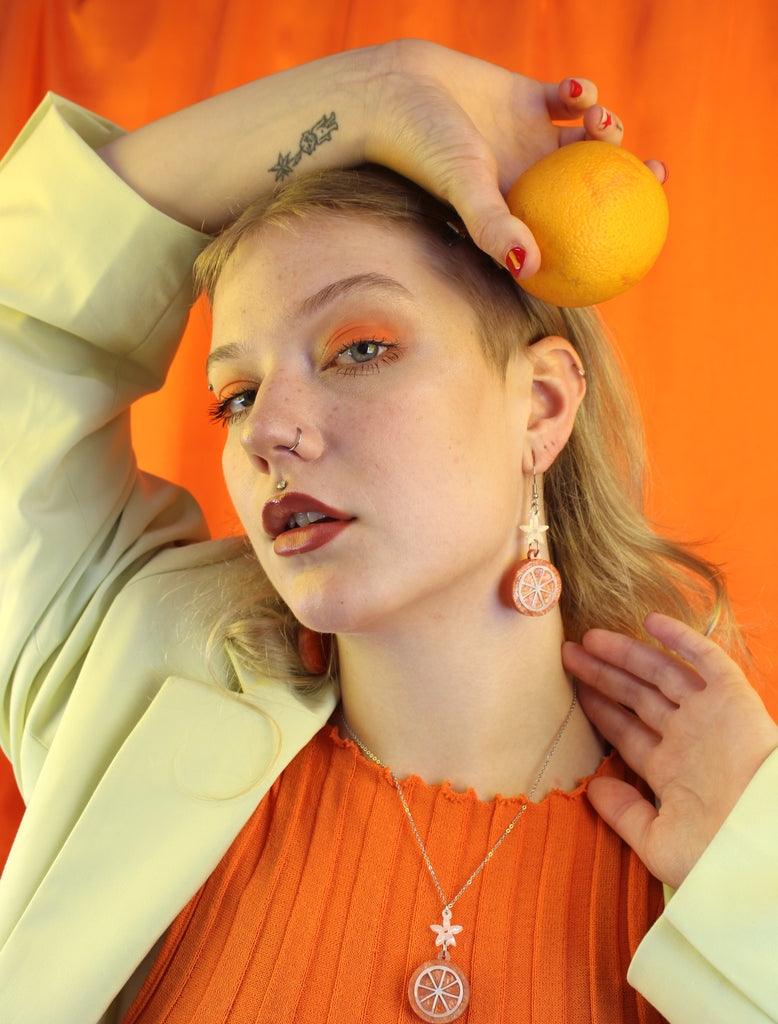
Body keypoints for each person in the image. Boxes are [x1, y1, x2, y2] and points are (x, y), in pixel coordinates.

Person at [0, 38, 776, 1024]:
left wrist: (761, 887)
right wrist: (364, 95)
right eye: (234, 393)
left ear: (538, 406)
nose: (270, 429)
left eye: (358, 348)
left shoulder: (720, 859)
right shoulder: (125, 673)